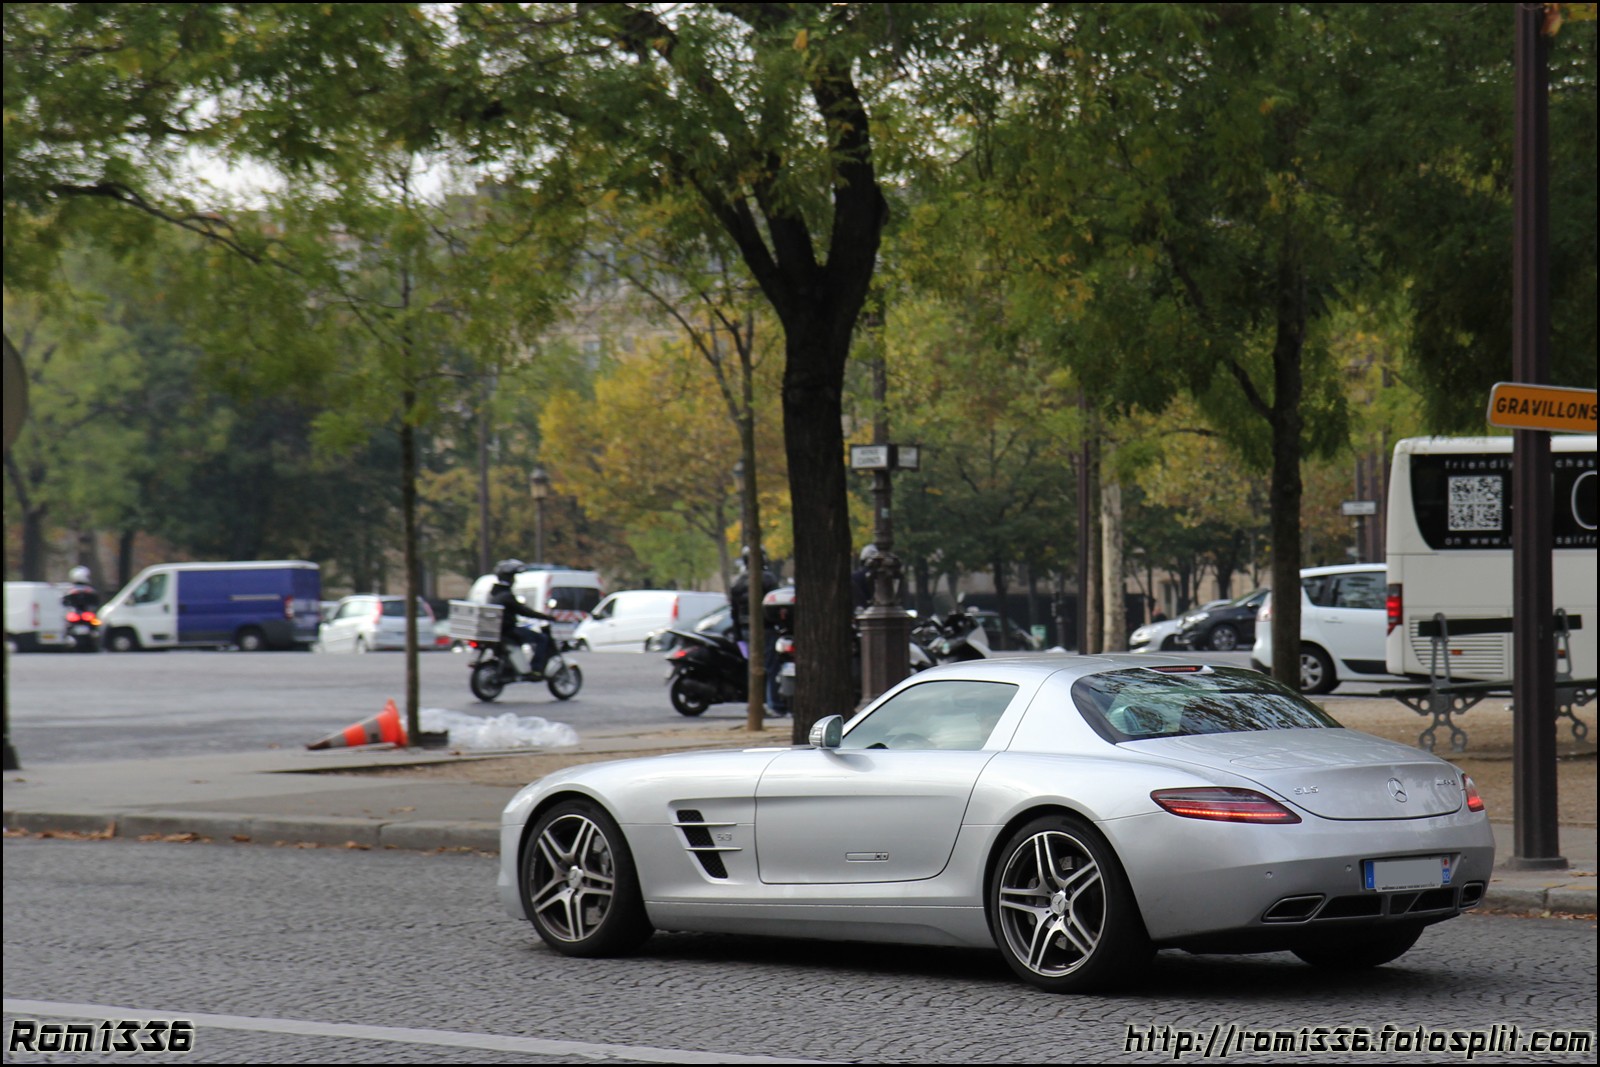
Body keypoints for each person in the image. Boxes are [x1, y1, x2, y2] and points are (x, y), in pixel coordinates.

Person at [489, 558, 558, 676]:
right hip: (508, 631)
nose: (515, 580)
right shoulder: (506, 596)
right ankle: (536, 669)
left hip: (499, 631)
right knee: (542, 639)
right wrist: (545, 617)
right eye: (513, 577)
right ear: (509, 578)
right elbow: (524, 611)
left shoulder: (494, 594)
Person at [727, 547, 777, 654]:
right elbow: (774, 606)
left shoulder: (738, 582)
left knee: (751, 660)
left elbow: (734, 611)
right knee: (768, 662)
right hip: (765, 627)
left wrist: (737, 634)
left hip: (745, 628)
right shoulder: (768, 579)